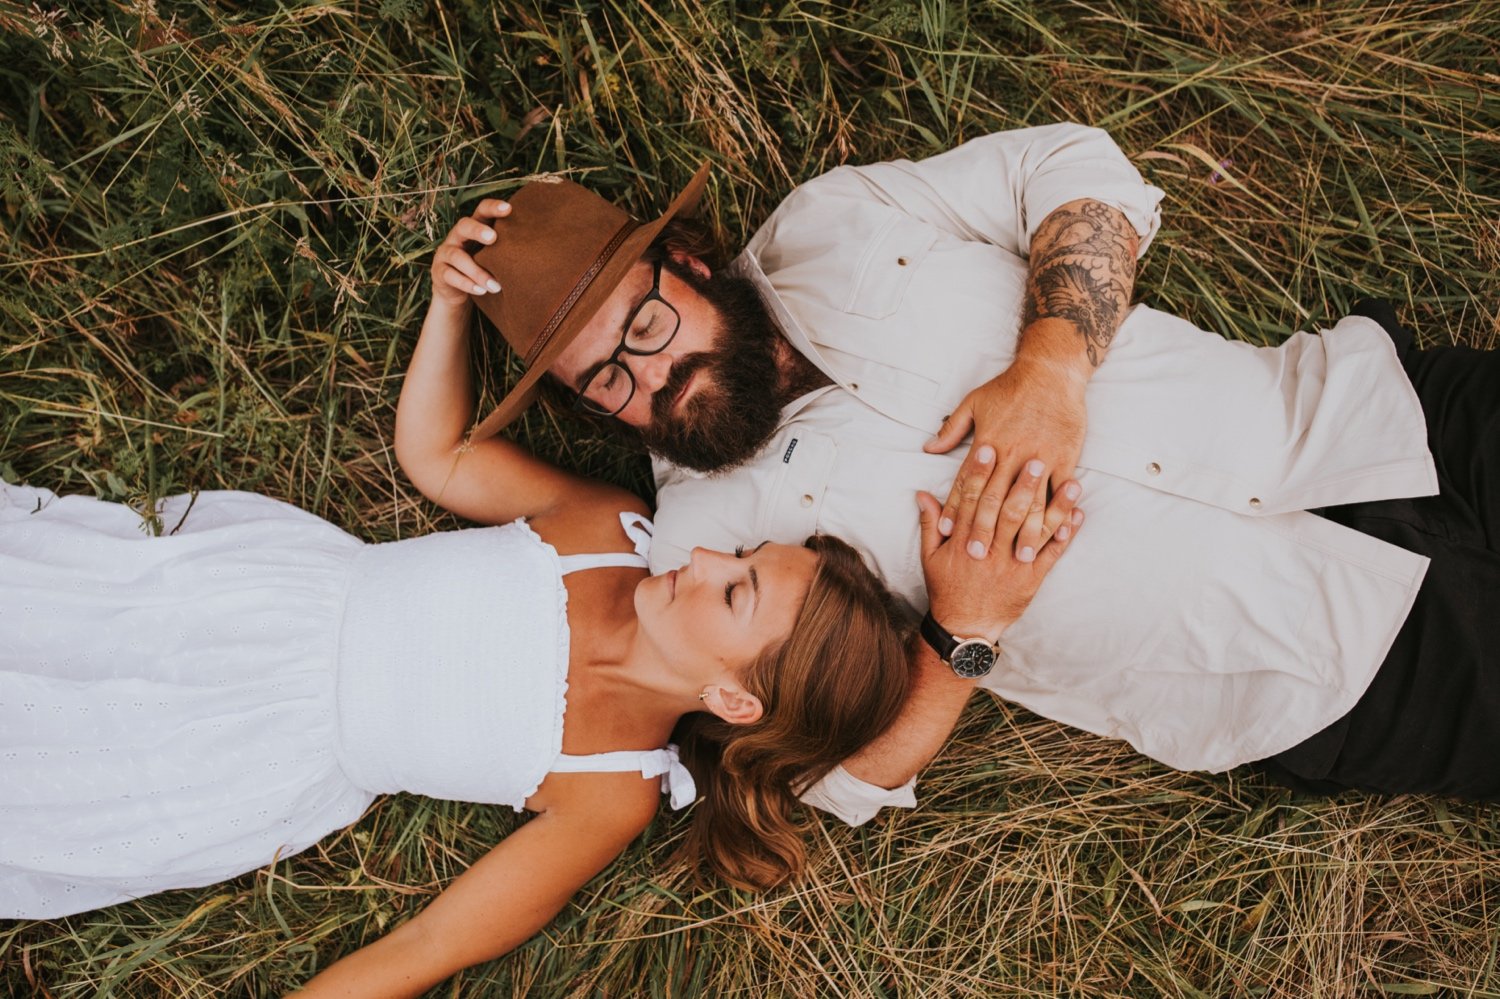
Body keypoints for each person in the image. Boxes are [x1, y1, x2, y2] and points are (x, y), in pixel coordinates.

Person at [0, 189, 1048, 995]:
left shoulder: (610, 789)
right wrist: (450, 307)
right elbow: (445, 457)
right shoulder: (606, 533)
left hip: (251, 750)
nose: (709, 558)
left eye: (733, 594)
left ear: (736, 700)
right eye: (744, 556)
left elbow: (425, 948)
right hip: (266, 600)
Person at [453, 121, 1500, 825]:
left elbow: (1078, 165)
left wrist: (1050, 362)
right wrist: (962, 633)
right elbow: (831, 779)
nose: (652, 378)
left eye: (643, 322)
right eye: (606, 382)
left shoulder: (835, 222)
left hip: (1376, 417)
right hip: (1319, 674)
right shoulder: (700, 547)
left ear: (683, 260)